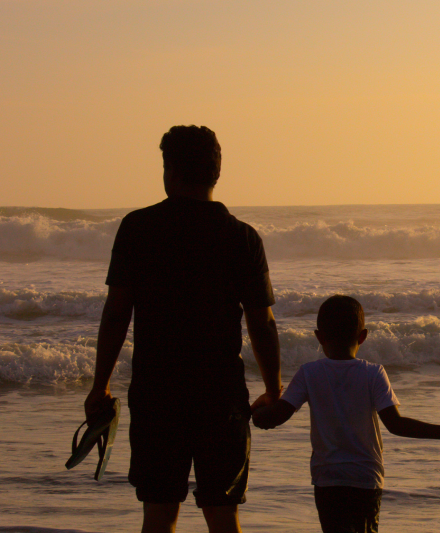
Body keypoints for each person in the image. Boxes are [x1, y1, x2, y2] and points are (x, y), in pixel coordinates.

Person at [84, 125, 282, 533]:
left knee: (159, 511)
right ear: (217, 172)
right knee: (223, 513)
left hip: (157, 392)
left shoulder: (138, 228)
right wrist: (275, 390)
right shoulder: (241, 237)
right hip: (221, 394)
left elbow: (117, 312)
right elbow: (261, 324)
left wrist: (100, 385)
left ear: (169, 170)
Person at [253, 295, 440, 533]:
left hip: (328, 480)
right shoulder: (373, 373)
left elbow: (272, 419)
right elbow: (396, 425)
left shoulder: (309, 373)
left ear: (319, 337)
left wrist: (255, 409)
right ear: (363, 337)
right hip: (366, 478)